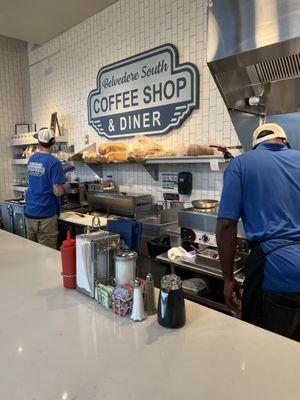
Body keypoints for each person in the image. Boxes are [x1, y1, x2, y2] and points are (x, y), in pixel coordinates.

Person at [216, 123, 300, 341]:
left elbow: (226, 225)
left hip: (275, 272)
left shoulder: (241, 163)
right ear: (284, 141)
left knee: (265, 350)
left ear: (255, 146)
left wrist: (227, 279)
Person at [25, 128, 65, 249]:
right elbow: (58, 192)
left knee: (32, 252)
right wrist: (65, 188)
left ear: (39, 142)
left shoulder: (31, 159)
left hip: (30, 212)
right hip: (46, 214)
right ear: (53, 143)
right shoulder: (54, 162)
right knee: (47, 255)